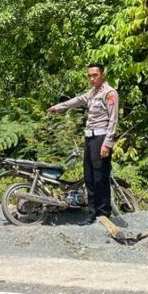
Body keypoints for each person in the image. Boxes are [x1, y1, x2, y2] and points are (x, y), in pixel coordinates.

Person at [47, 63, 119, 224]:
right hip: (89, 138)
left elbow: (113, 120)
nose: (92, 78)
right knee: (89, 177)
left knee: (100, 178)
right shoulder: (92, 93)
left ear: (102, 75)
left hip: (101, 138)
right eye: (89, 76)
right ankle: (92, 213)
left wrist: (107, 143)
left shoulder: (110, 93)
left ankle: (104, 213)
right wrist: (58, 107)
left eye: (95, 75)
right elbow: (77, 100)